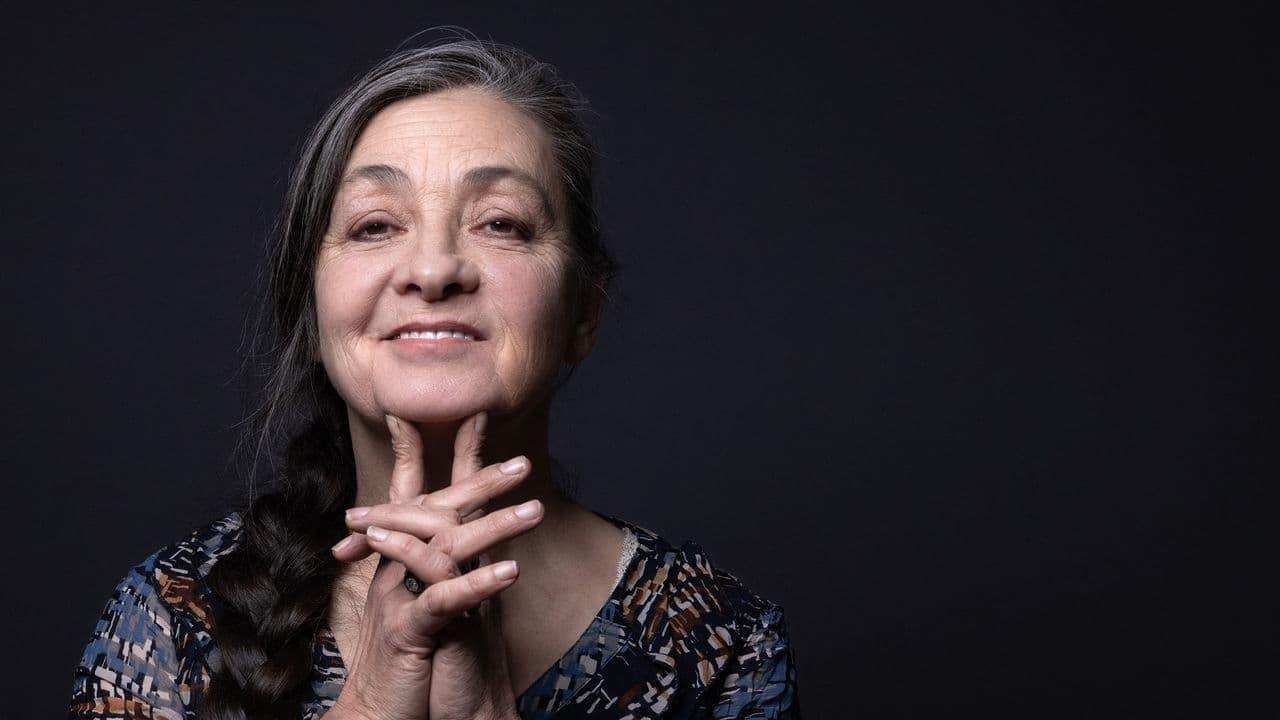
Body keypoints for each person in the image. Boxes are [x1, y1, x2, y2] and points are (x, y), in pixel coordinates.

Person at [68, 33, 801, 720]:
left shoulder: (718, 643)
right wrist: (372, 702)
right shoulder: (171, 615)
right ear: (312, 310)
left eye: (500, 223)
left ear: (586, 309)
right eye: (375, 225)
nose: (432, 270)